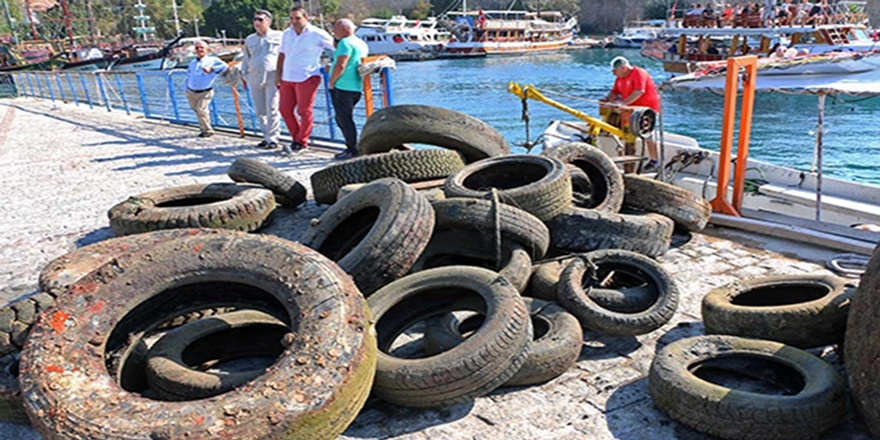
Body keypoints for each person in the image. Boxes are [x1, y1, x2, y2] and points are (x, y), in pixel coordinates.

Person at [275, 6, 334, 155]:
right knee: (285, 109)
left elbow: (336, 48)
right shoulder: (287, 33)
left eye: (297, 18)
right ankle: (297, 139)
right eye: (291, 18)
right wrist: (278, 74)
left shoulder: (317, 33)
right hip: (287, 77)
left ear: (306, 18)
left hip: (308, 76)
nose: (294, 21)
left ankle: (301, 142)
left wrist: (332, 64)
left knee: (304, 111)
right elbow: (282, 54)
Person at [602, 56, 661, 170]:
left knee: (648, 134)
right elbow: (614, 92)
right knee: (624, 130)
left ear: (623, 68)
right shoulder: (620, 78)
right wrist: (607, 99)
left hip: (646, 111)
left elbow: (639, 91)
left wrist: (623, 103)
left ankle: (655, 160)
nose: (613, 73)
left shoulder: (639, 73)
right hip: (630, 111)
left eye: (615, 70)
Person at [241, 9, 283, 150]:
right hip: (254, 77)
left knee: (272, 108)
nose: (257, 22)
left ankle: (273, 138)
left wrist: (282, 75)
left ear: (268, 22)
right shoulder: (250, 39)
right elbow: (246, 58)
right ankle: (266, 136)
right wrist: (244, 75)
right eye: (255, 19)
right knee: (260, 110)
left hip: (272, 76)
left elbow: (285, 55)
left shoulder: (279, 36)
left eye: (260, 19)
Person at [328, 19, 368, 160]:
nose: (333, 32)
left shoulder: (345, 43)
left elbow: (341, 64)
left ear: (344, 29)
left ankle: (352, 149)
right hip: (356, 86)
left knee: (344, 119)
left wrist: (331, 82)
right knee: (345, 118)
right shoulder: (360, 43)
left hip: (342, 86)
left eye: (335, 29)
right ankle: (353, 146)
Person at [185, 39, 228, 138]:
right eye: (197, 48)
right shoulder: (192, 62)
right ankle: (203, 128)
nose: (199, 49)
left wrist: (212, 69)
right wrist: (186, 89)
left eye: (202, 47)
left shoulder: (213, 60)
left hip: (205, 91)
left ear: (207, 49)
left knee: (201, 109)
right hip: (191, 91)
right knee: (196, 109)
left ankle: (207, 130)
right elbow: (188, 75)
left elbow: (225, 66)